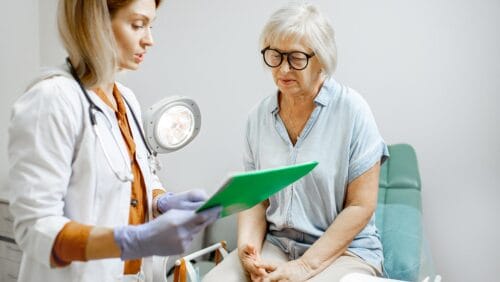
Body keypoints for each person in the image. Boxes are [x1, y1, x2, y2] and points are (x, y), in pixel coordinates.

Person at [7, 0, 220, 281]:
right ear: (95, 23)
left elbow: (134, 177)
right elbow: (36, 229)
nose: (150, 40)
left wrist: (160, 200)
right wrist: (131, 240)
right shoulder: (51, 100)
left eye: (151, 26)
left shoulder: (125, 98)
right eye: (137, 25)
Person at [203, 2, 389, 282]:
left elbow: (361, 206)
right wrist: (247, 251)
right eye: (274, 56)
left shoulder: (352, 110)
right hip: (278, 246)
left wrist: (303, 268)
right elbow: (255, 201)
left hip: (343, 253)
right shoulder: (258, 118)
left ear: (322, 59)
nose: (283, 69)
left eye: (296, 58)